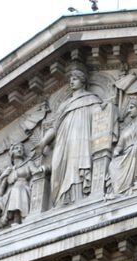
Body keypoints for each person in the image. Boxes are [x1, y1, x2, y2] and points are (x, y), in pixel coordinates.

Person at [36, 67, 104, 207]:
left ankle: (77, 197)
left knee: (77, 163)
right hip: (63, 141)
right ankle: (62, 197)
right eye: (70, 80)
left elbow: (101, 118)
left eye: (75, 79)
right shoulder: (64, 105)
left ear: (82, 81)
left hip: (82, 137)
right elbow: (55, 127)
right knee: (59, 166)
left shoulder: (91, 99)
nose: (71, 82)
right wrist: (43, 142)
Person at [0, 143, 43, 225]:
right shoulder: (9, 169)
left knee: (17, 189)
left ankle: (17, 217)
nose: (19, 150)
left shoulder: (28, 163)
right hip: (9, 193)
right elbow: (0, 191)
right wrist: (2, 177)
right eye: (16, 148)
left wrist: (44, 168)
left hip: (25, 187)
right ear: (12, 152)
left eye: (21, 148)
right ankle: (7, 217)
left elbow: (36, 171)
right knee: (14, 190)